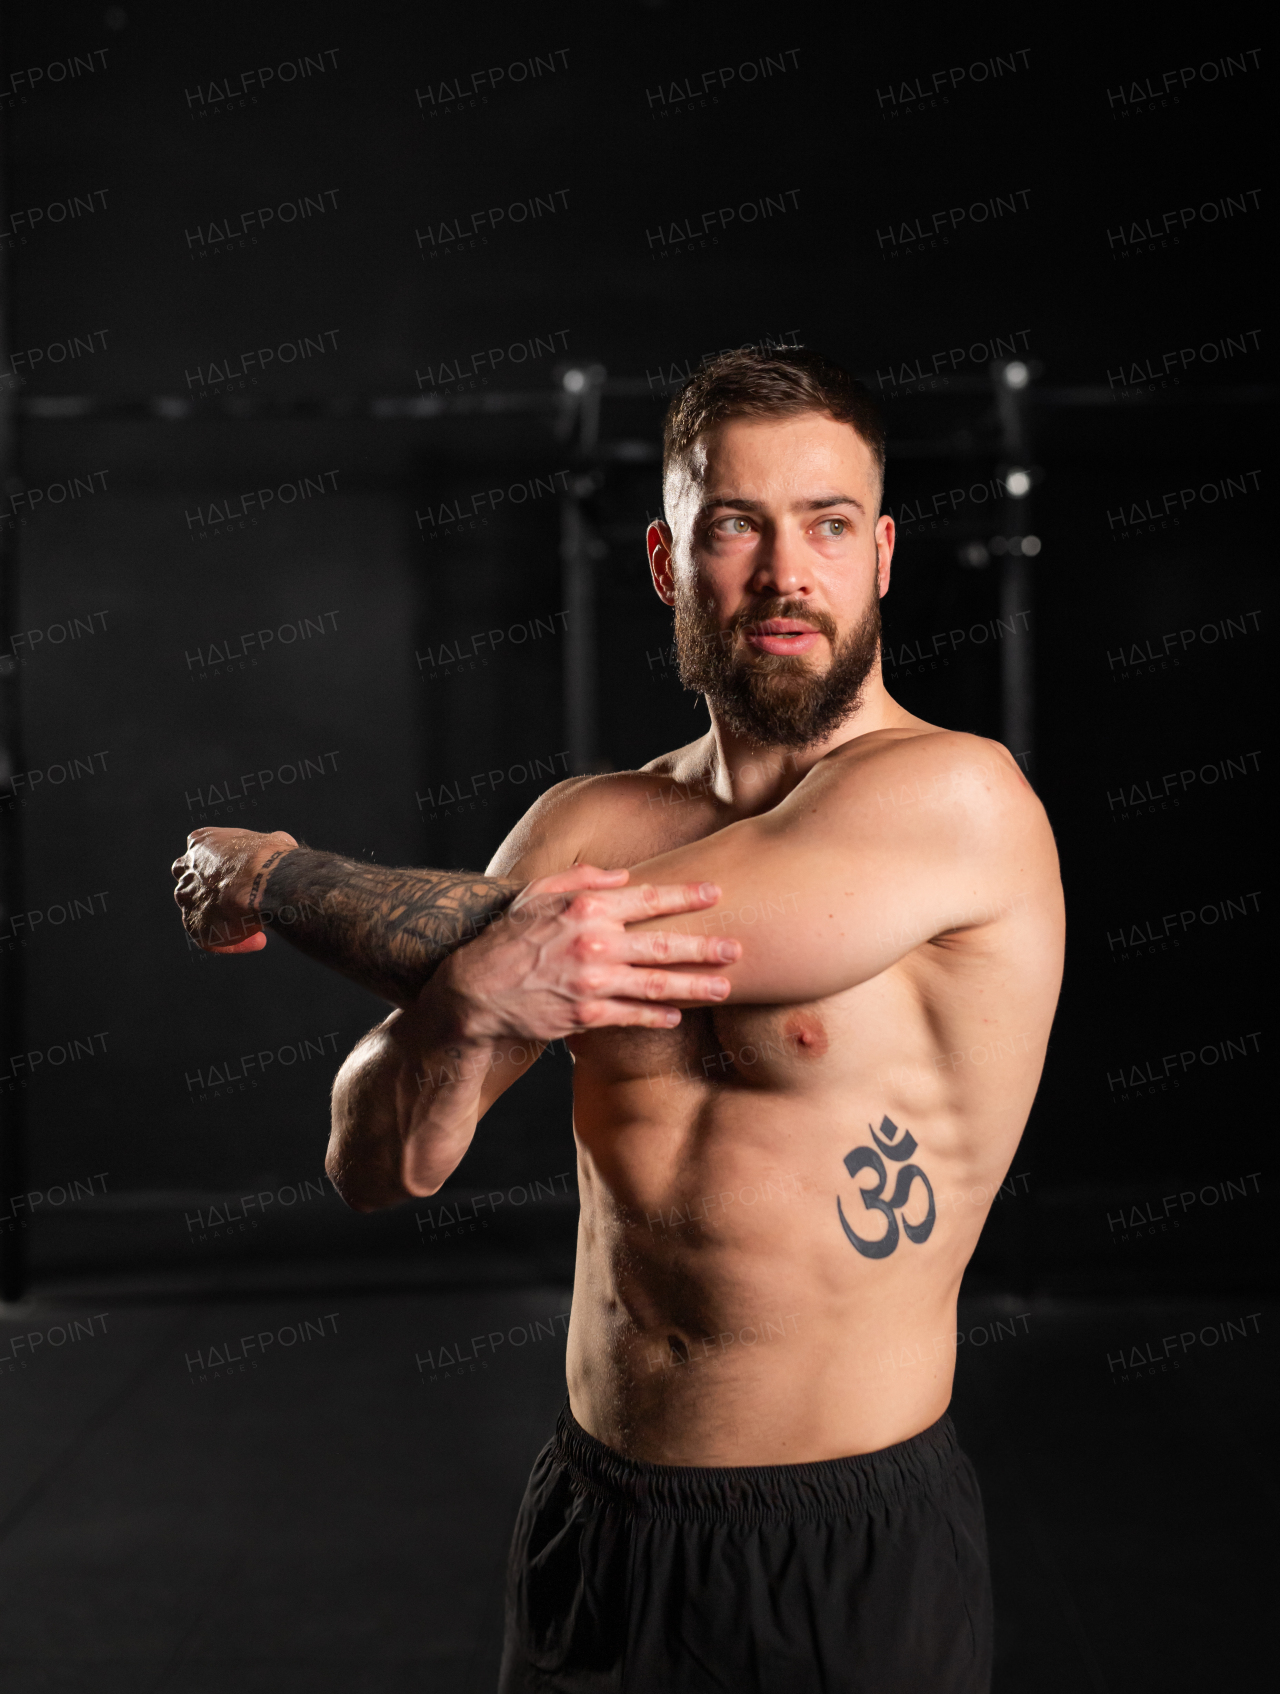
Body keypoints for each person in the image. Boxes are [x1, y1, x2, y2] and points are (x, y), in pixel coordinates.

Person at [174, 347, 1064, 1693]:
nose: (784, 572)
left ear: (882, 556)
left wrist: (270, 872)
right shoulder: (588, 822)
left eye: (827, 525)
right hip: (598, 1520)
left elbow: (567, 943)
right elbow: (376, 1164)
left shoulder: (957, 801)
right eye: (736, 526)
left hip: (838, 1540)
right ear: (666, 561)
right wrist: (469, 1007)